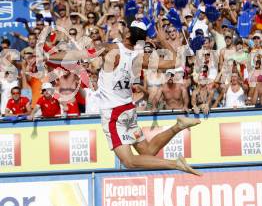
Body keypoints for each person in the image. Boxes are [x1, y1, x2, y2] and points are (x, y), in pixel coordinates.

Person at [50, 21, 201, 175]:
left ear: (128, 34)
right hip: (128, 110)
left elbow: (75, 55)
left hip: (113, 114)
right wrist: (163, 39)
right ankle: (178, 126)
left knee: (128, 161)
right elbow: (176, 61)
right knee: (148, 151)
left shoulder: (110, 49)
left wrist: (49, 56)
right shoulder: (140, 57)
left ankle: (175, 164)